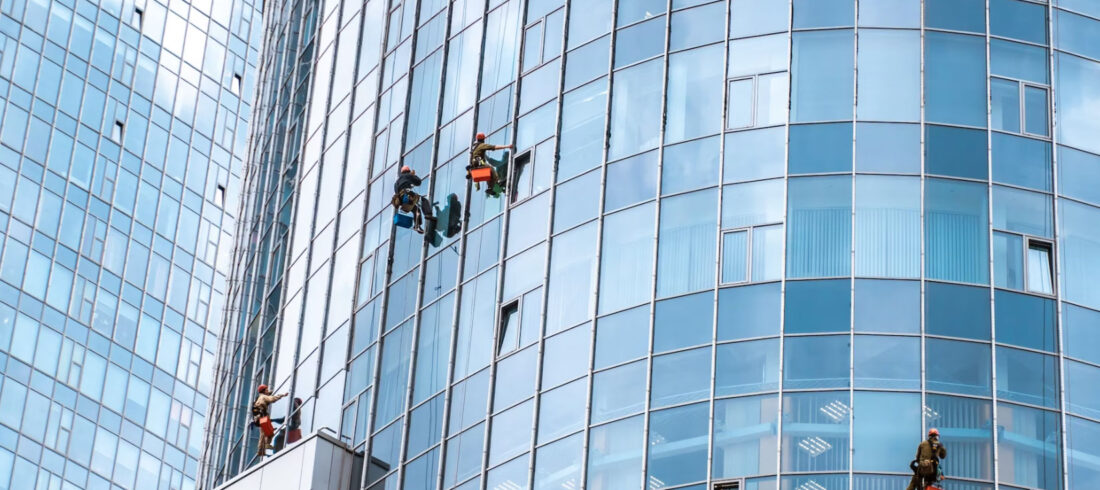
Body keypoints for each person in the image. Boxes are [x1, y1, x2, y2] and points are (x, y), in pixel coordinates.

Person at [252, 384, 288, 457]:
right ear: (263, 391)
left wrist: (270, 392)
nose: (268, 391)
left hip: (260, 418)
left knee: (267, 434)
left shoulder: (260, 397)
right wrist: (282, 395)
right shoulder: (263, 397)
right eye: (266, 390)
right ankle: (263, 449)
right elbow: (272, 399)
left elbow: (267, 395)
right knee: (266, 434)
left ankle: (264, 447)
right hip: (262, 418)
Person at [392, 166, 425, 233]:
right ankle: (417, 226)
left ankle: (417, 226)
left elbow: (396, 191)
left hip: (401, 200)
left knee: (416, 209)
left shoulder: (397, 182)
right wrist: (412, 175)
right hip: (407, 196)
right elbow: (418, 182)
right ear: (408, 171)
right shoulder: (408, 175)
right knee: (418, 208)